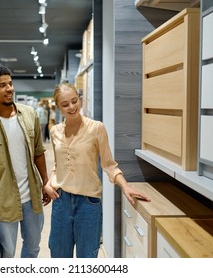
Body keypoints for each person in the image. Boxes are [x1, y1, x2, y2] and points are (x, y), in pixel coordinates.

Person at [43, 83, 150, 258]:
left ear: (79, 99)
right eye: (65, 104)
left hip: (88, 203)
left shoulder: (96, 128)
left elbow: (109, 165)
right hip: (61, 202)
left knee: (87, 257)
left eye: (74, 101)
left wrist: (125, 186)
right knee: (59, 255)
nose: (72, 107)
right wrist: (48, 184)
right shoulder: (55, 131)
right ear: (58, 107)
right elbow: (58, 165)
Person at [0, 65, 51, 258]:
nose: (9, 89)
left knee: (33, 248)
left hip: (31, 197)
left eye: (11, 84)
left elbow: (38, 152)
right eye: (2, 85)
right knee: (6, 252)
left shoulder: (29, 115)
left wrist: (45, 182)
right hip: (3, 199)